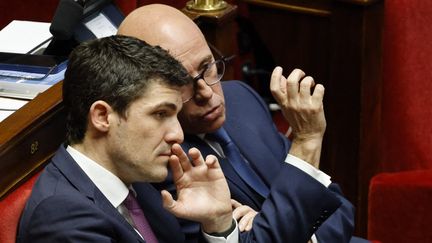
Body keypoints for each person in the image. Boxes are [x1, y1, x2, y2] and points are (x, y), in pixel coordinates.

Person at [118, 4, 371, 243]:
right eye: (182, 83)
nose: (207, 92)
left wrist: (287, 230)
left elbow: (338, 205)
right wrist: (306, 142)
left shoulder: (241, 98)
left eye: (208, 66)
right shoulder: (160, 161)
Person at [16, 35, 240, 243]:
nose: (178, 135)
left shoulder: (135, 180)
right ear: (103, 116)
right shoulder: (62, 219)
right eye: (160, 114)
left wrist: (217, 223)